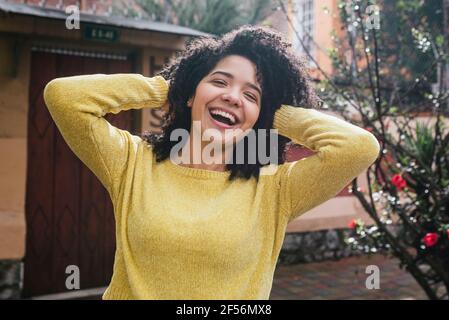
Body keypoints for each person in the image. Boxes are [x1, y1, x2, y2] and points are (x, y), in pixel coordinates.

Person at [43, 25, 380, 300]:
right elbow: (64, 98)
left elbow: (358, 147)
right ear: (191, 94)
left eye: (251, 95)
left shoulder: (275, 186)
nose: (233, 96)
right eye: (219, 82)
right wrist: (170, 89)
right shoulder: (132, 162)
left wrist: (273, 113)